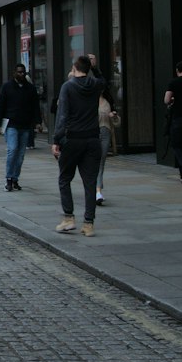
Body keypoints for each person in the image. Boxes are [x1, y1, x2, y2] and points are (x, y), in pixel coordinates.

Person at [52, 54, 105, 235]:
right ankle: (88, 224)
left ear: (74, 69)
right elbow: (103, 80)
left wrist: (56, 140)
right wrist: (95, 67)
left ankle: (68, 218)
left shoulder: (68, 87)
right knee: (90, 182)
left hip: (73, 139)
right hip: (93, 139)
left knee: (65, 178)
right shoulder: (95, 85)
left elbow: (62, 115)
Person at [0, 63, 43, 191]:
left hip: (25, 125)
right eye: (19, 72)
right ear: (14, 73)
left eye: (23, 72)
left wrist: (38, 122)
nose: (21, 74)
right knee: (12, 150)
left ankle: (15, 178)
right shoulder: (7, 87)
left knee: (21, 154)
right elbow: (1, 105)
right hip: (11, 124)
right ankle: (9, 178)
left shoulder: (30, 88)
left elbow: (35, 107)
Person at [96, 83, 119, 205]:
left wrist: (113, 116)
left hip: (105, 133)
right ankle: (95, 190)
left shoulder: (108, 102)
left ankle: (97, 191)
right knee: (93, 162)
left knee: (101, 161)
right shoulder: (89, 100)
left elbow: (116, 122)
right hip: (93, 133)